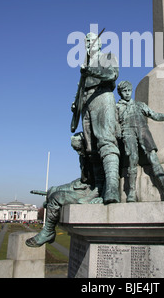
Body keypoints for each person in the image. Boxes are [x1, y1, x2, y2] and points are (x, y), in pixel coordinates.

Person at [26, 132, 103, 248]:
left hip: (92, 191)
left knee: (57, 197)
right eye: (75, 149)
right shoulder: (83, 156)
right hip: (85, 187)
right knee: (53, 191)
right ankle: (49, 229)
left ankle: (49, 231)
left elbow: (100, 184)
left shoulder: (95, 156)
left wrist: (91, 198)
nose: (78, 152)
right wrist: (58, 188)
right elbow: (83, 180)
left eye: (78, 148)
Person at [116, 80, 164, 202]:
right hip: (127, 132)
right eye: (124, 91)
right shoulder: (117, 107)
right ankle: (131, 192)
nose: (127, 93)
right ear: (120, 93)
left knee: (154, 158)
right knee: (132, 160)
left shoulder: (140, 105)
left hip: (143, 131)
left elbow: (155, 115)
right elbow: (114, 124)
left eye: (129, 91)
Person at [72, 32, 120, 204]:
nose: (88, 43)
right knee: (90, 148)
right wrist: (76, 104)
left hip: (102, 97)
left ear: (99, 44)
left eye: (91, 41)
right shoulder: (85, 64)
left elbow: (111, 75)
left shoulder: (108, 57)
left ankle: (112, 188)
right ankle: (98, 188)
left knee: (106, 141)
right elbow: (81, 89)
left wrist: (90, 71)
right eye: (86, 41)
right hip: (86, 104)